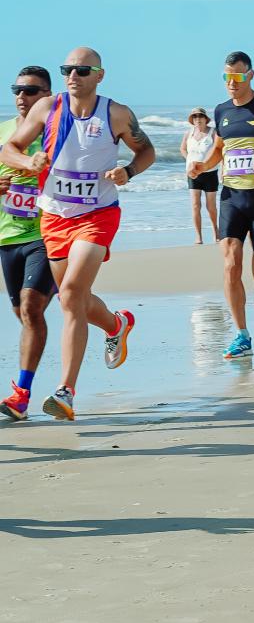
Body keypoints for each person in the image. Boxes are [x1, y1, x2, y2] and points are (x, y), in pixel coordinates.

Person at [0, 47, 149, 420]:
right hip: (54, 217)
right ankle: (117, 324)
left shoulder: (116, 113)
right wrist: (27, 161)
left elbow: (145, 150)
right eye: (67, 69)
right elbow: (10, 148)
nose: (73, 75)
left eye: (82, 70)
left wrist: (128, 172)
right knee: (75, 300)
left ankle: (65, 391)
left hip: (97, 214)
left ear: (99, 75)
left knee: (69, 294)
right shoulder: (47, 109)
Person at [187, 51, 254, 359]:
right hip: (231, 196)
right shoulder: (222, 111)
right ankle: (241, 334)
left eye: (238, 77)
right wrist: (203, 166)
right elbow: (219, 149)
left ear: (250, 75)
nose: (232, 83)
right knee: (230, 265)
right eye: (227, 77)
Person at [1, 67, 57, 420]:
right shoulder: (5, 133)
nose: (22, 97)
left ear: (47, 96)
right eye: (17, 90)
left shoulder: (56, 131)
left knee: (32, 308)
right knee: (22, 314)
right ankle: (115, 324)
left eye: (31, 91)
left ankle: (21, 395)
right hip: (7, 235)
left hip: (46, 233)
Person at [181, 107, 219, 244]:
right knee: (195, 205)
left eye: (200, 116)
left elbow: (217, 150)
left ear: (205, 118)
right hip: (193, 174)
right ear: (192, 120)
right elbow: (183, 148)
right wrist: (189, 160)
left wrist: (206, 163)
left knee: (211, 206)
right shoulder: (188, 133)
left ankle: (216, 232)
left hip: (210, 173)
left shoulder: (213, 133)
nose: (198, 119)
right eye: (195, 117)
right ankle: (198, 236)